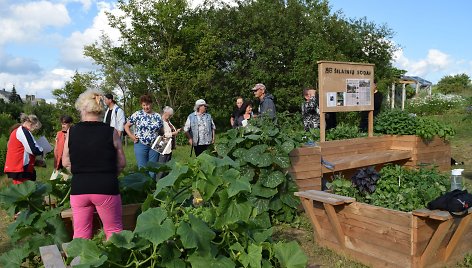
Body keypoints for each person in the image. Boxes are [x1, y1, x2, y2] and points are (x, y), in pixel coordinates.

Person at [62, 89, 126, 240]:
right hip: (106, 187)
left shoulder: (72, 132)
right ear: (100, 109)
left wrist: (80, 173)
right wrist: (110, 174)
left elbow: (65, 161)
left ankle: (81, 262)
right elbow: (122, 163)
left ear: (83, 109)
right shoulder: (112, 132)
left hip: (79, 188)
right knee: (114, 231)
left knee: (81, 234)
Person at [124, 94, 163, 169]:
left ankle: (153, 181)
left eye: (147, 105)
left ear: (151, 104)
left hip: (156, 145)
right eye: (144, 105)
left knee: (154, 169)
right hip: (140, 144)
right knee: (142, 169)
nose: (146, 107)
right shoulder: (137, 114)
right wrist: (132, 137)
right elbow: (126, 126)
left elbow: (161, 131)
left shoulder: (157, 116)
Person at [4, 114, 44, 184]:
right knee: (26, 192)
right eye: (35, 128)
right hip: (20, 168)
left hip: (18, 168)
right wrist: (42, 149)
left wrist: (35, 162)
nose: (34, 131)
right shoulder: (23, 131)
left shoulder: (18, 130)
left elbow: (23, 151)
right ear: (31, 124)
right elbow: (33, 150)